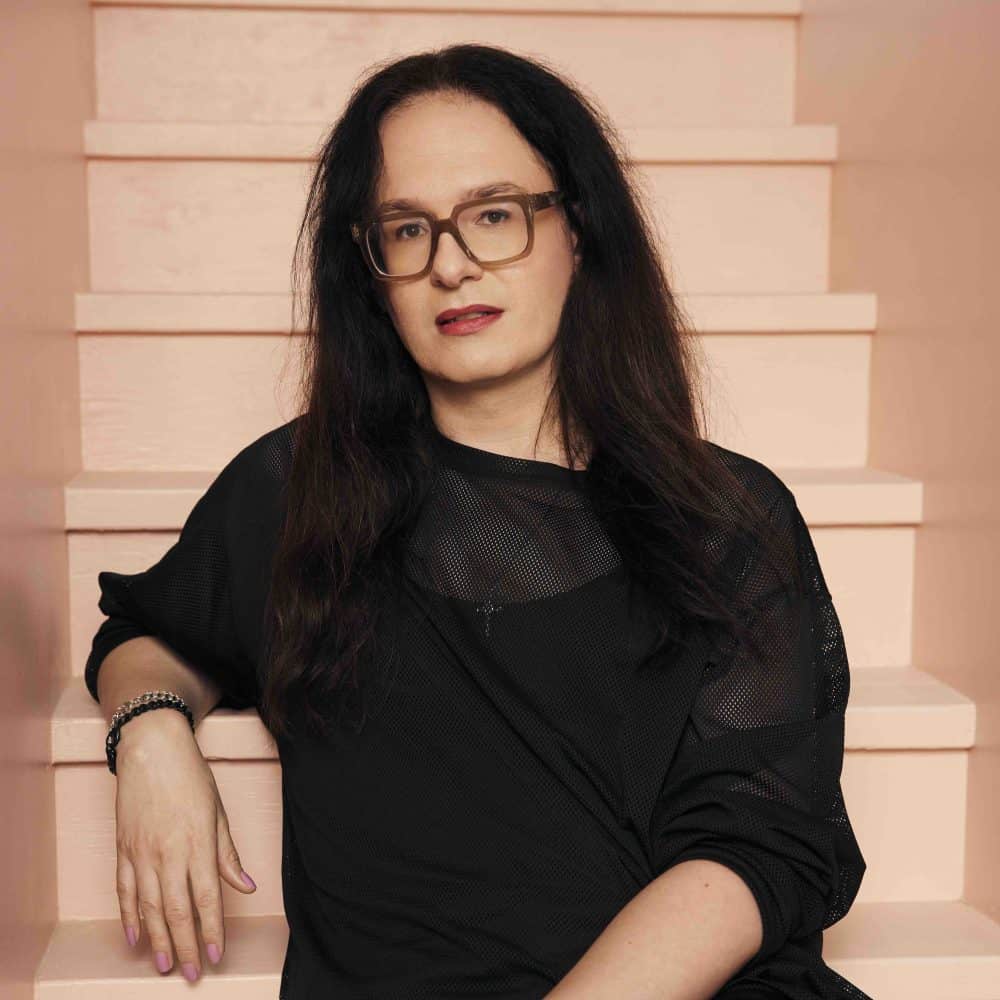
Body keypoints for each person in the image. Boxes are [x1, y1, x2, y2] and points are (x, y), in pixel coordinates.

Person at [85, 43, 871, 1000]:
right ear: (371, 270)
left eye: (494, 215)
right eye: (407, 229)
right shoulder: (299, 492)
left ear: (577, 230)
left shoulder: (726, 516)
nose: (451, 265)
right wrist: (152, 735)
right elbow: (154, 632)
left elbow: (758, 843)